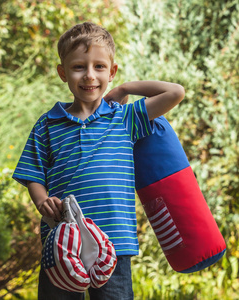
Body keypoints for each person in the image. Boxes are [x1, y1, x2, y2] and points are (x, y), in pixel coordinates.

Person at [12, 22, 185, 300]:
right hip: (61, 242)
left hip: (113, 242)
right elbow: (33, 173)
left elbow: (175, 92)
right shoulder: (47, 124)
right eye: (78, 67)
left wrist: (125, 88)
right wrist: (42, 201)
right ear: (62, 73)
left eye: (100, 67)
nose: (89, 75)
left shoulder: (124, 118)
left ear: (112, 72)